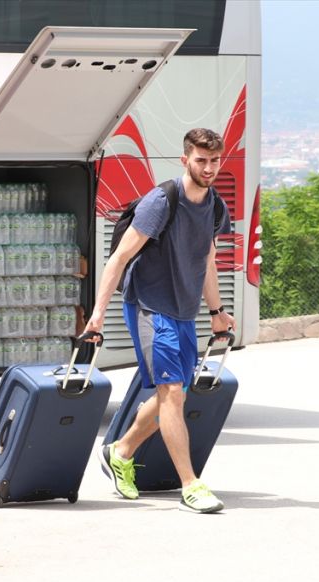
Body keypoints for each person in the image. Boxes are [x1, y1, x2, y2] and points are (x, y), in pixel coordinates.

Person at [85, 128, 235, 514]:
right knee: (173, 393)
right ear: (185, 159)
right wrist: (97, 315)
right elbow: (119, 258)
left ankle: (121, 451)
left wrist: (217, 313)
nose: (209, 167)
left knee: (174, 392)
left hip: (185, 310)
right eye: (201, 160)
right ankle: (191, 483)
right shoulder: (162, 200)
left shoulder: (215, 206)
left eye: (215, 160)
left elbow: (206, 261)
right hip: (150, 305)